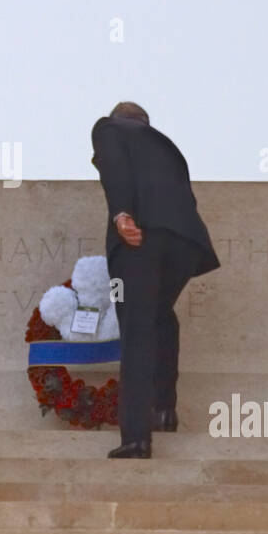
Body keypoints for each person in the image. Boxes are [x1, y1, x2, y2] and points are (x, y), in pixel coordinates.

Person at [90, 101, 220, 458]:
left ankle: (136, 436)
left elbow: (114, 168)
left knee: (137, 328)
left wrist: (121, 213)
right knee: (161, 316)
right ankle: (164, 409)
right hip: (186, 243)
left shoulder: (108, 128)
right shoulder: (167, 147)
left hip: (142, 239)